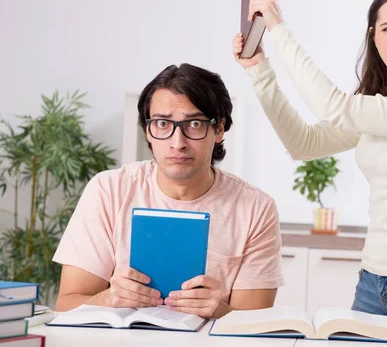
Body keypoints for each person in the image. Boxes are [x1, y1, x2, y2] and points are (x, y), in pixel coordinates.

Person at [232, 0, 387, 329]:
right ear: (374, 38)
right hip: (374, 281)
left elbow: (333, 107)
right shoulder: (384, 108)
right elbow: (304, 143)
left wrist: (279, 29)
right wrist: (259, 70)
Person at [53, 63, 284, 318]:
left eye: (194, 124)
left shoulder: (255, 208)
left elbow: (257, 326)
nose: (178, 143)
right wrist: (108, 298)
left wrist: (219, 310)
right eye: (162, 124)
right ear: (148, 132)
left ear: (218, 129)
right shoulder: (108, 190)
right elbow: (65, 305)